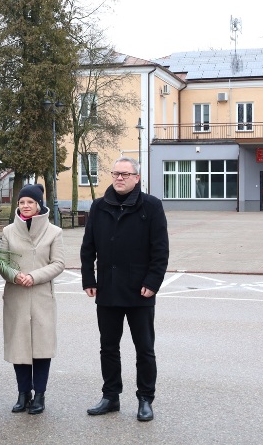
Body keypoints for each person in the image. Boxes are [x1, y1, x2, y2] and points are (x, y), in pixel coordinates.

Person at [80, 157, 169, 422]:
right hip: (107, 289)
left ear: (137, 178)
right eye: (116, 173)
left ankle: (145, 399)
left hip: (140, 291)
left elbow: (160, 250)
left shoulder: (151, 206)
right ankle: (110, 396)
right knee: (108, 347)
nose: (120, 178)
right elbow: (88, 248)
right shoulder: (99, 206)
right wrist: (89, 279)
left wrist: (152, 283)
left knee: (144, 348)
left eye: (125, 174)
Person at [0, 184, 65, 415]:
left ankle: (40, 395)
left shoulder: (54, 232)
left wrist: (33, 277)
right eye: (22, 202)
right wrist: (15, 275)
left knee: (41, 348)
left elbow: (58, 263)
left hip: (41, 296)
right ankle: (23, 393)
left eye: (30, 202)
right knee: (20, 347)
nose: (25, 206)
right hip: (16, 295)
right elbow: (0, 261)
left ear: (39, 205)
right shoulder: (7, 232)